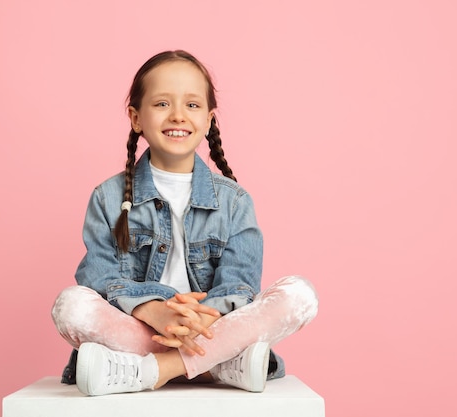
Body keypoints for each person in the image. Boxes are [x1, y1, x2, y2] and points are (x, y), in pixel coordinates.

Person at [51, 50, 318, 396]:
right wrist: (156, 310)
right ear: (136, 117)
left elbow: (239, 286)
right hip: (146, 328)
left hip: (210, 326)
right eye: (162, 104)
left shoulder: (235, 201)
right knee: (71, 305)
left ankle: (157, 369)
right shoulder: (107, 197)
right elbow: (99, 279)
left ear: (208, 120)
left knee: (300, 296)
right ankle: (219, 366)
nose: (178, 115)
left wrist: (203, 317)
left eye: (192, 105)